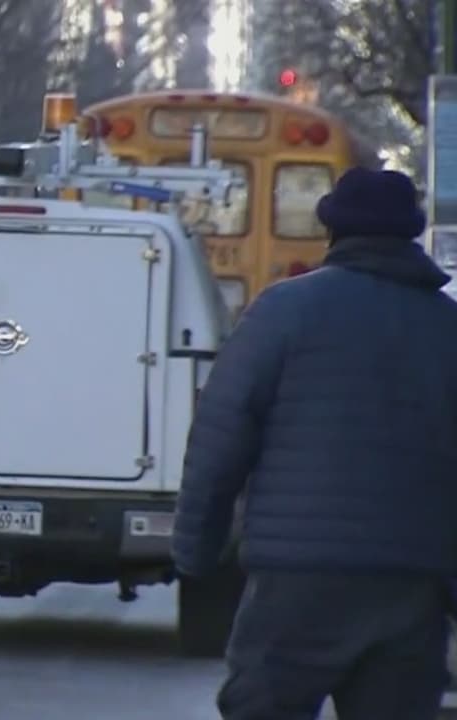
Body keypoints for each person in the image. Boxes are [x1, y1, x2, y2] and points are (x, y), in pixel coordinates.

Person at [173, 167, 457, 719]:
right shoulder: (449, 329)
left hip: (295, 586)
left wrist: (196, 552)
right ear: (411, 233)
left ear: (332, 231)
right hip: (412, 587)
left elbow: (218, 440)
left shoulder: (281, 313)